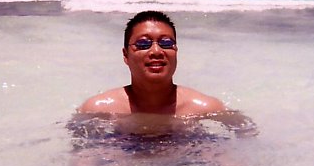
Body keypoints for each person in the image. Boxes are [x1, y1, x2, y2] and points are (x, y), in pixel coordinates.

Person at [78, 10, 226, 116]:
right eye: (143, 43)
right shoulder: (97, 111)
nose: (156, 51)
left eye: (166, 43)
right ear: (126, 55)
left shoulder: (207, 110)